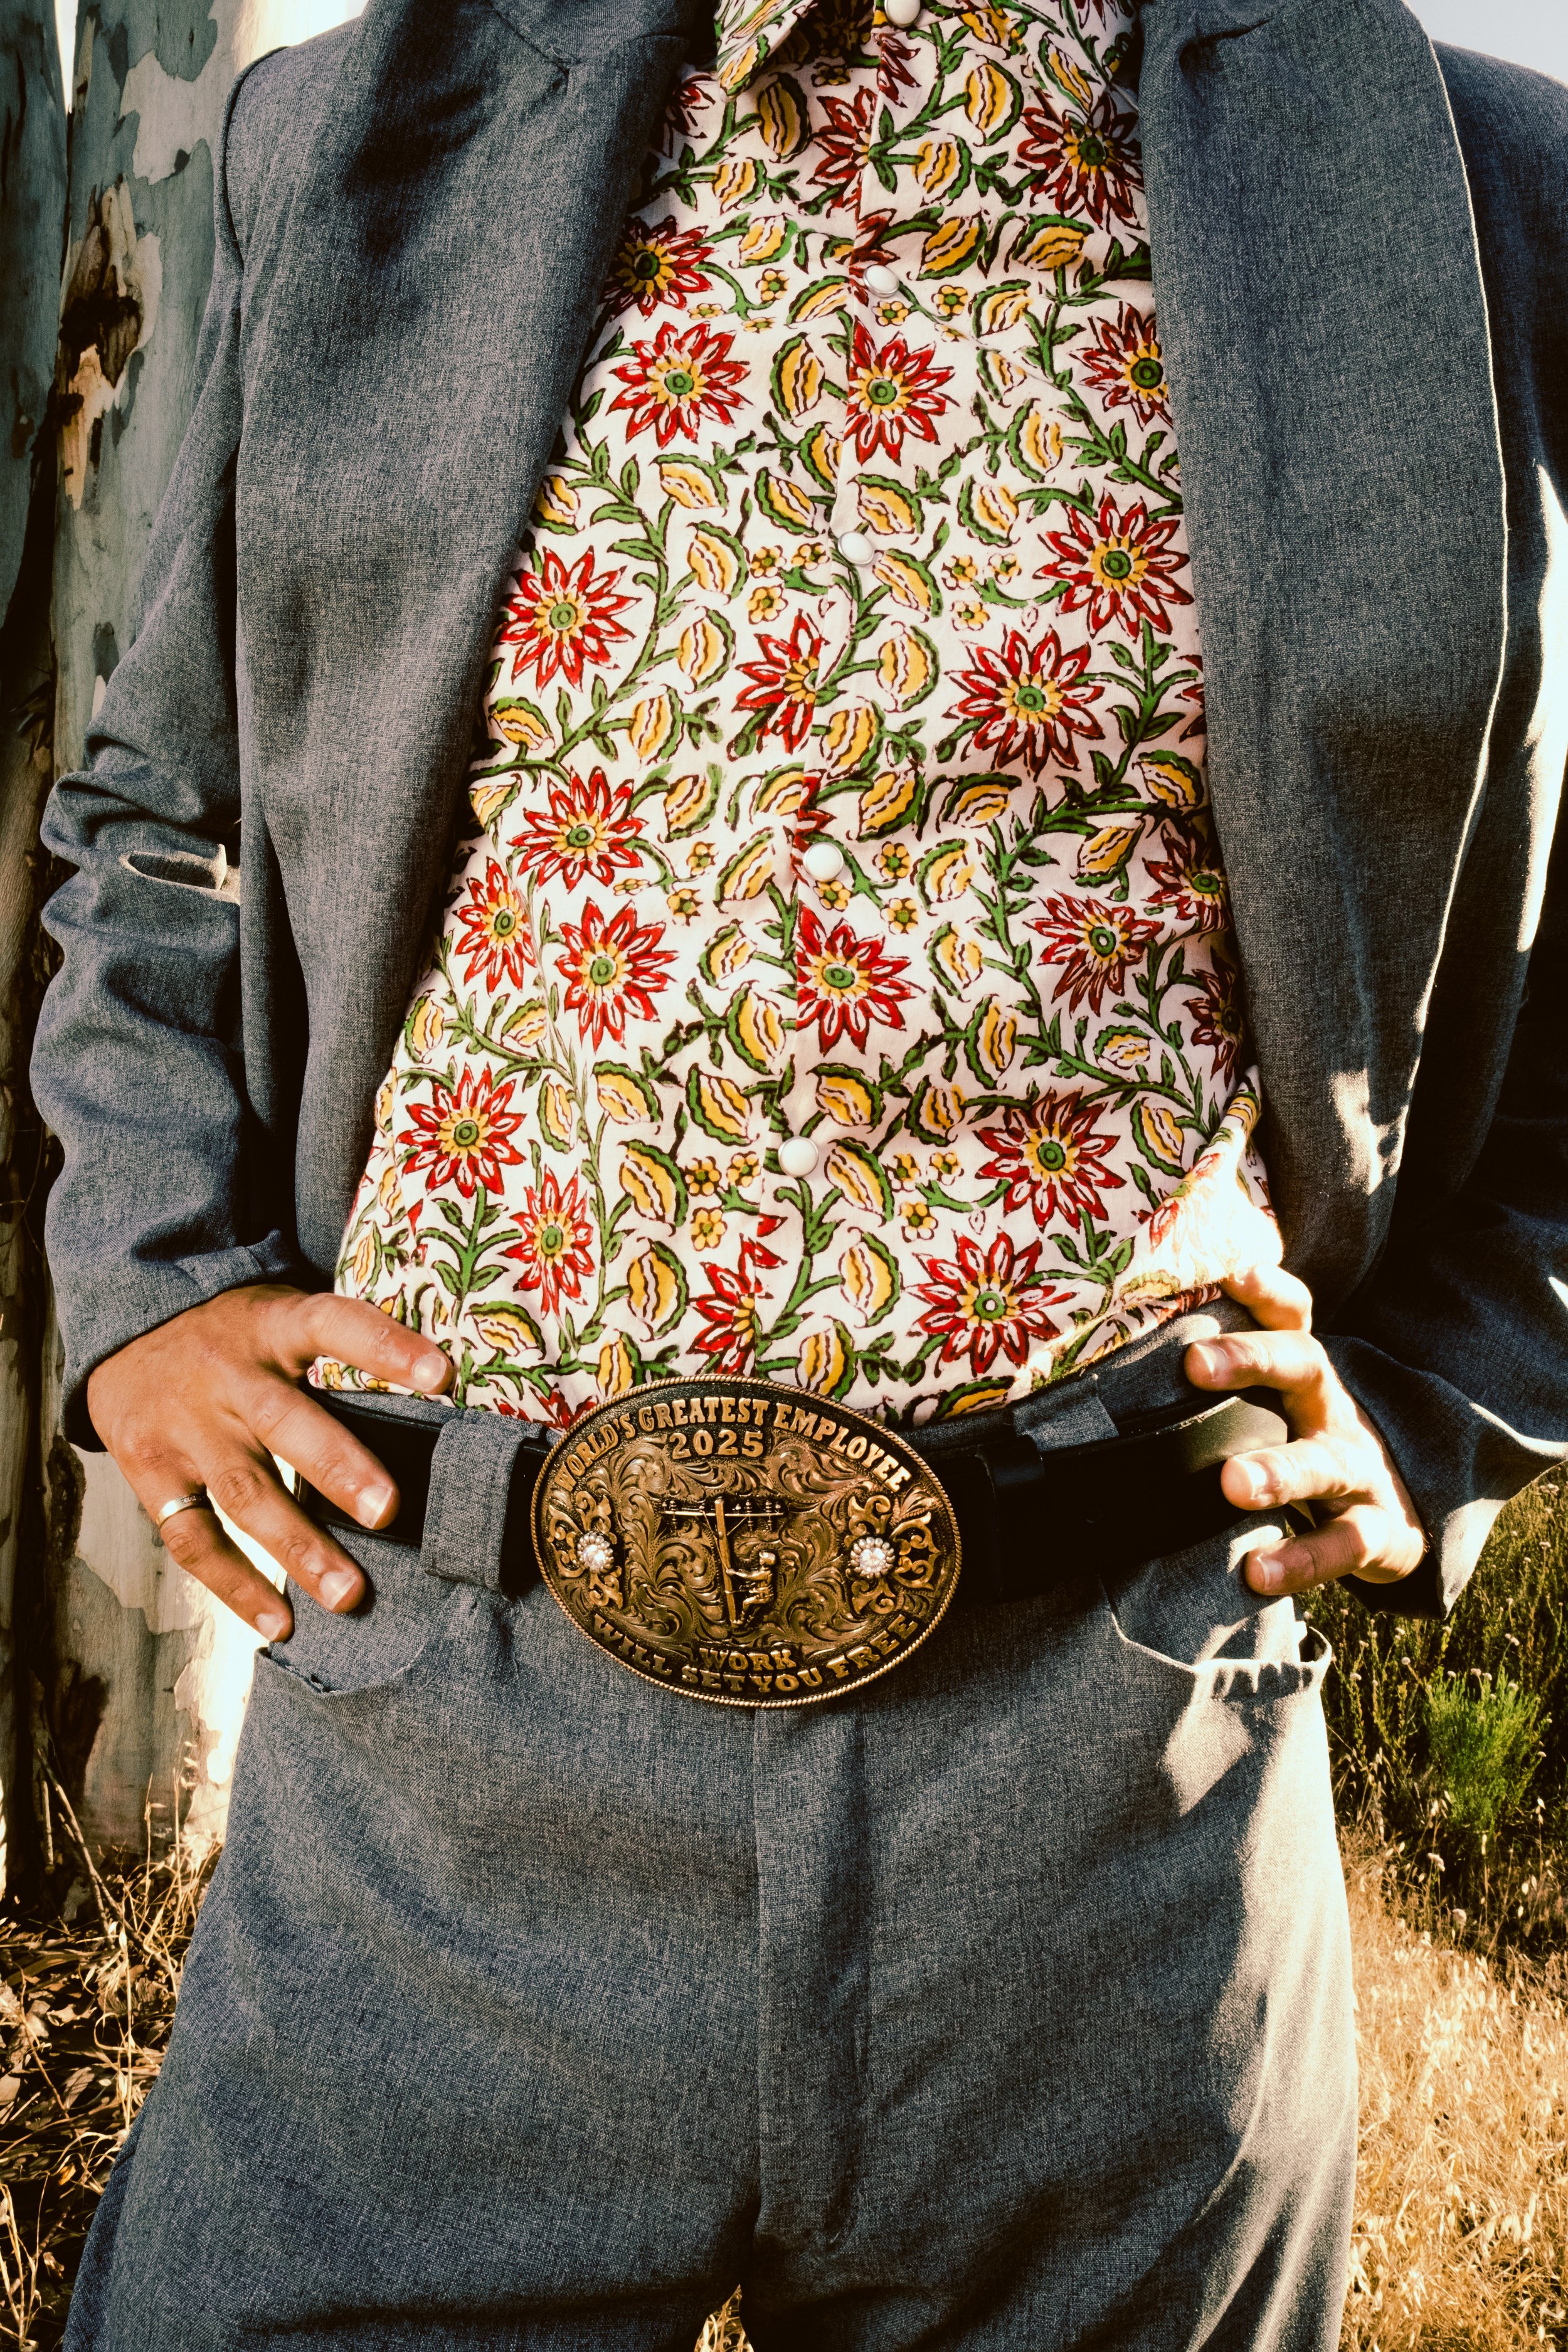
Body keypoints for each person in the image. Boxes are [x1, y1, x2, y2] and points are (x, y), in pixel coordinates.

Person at [31, 0, 1567, 2341]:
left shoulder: (1477, 190)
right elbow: (168, 821)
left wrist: (1444, 1391)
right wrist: (145, 1282)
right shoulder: (345, 135)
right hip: (445, 1749)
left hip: (1108, 1781)